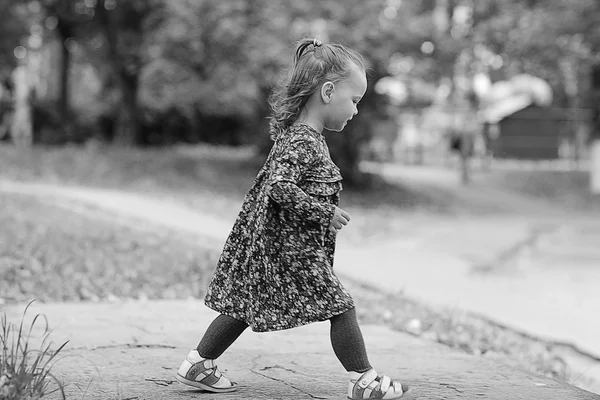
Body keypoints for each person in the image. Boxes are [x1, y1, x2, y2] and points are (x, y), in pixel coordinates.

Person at [176, 38, 412, 400]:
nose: (357, 111)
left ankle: (198, 364)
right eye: (355, 100)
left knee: (243, 304)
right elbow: (279, 189)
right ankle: (363, 381)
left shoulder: (304, 138)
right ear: (328, 92)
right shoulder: (303, 140)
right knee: (340, 305)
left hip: (278, 247)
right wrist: (324, 212)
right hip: (291, 251)